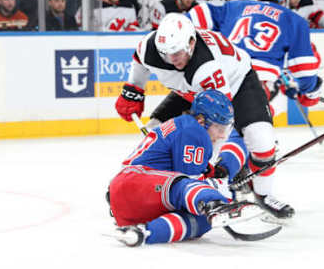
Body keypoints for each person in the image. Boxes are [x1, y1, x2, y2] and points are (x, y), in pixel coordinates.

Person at [114, 11, 295, 219]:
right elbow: (139, 59)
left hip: (237, 85)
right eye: (166, 54)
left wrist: (209, 167)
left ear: (191, 43)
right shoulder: (151, 47)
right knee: (156, 131)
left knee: (261, 140)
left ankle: (263, 194)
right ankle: (166, 186)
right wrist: (133, 90)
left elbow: (220, 123)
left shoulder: (206, 67)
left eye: (178, 53)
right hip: (191, 90)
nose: (172, 60)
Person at [186, 0, 322, 215]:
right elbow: (305, 74)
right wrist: (311, 91)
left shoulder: (235, 6)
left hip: (221, 72)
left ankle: (199, 180)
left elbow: (198, 14)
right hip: (258, 82)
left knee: (220, 129)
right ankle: (250, 188)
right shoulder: (294, 20)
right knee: (250, 132)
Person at [109, 90, 259, 247]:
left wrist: (215, 173)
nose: (222, 136)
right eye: (219, 128)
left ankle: (142, 233)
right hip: (136, 182)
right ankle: (214, 205)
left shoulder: (184, 126)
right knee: (190, 190)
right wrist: (222, 193)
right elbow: (190, 181)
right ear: (201, 121)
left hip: (133, 202)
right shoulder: (194, 130)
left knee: (203, 221)